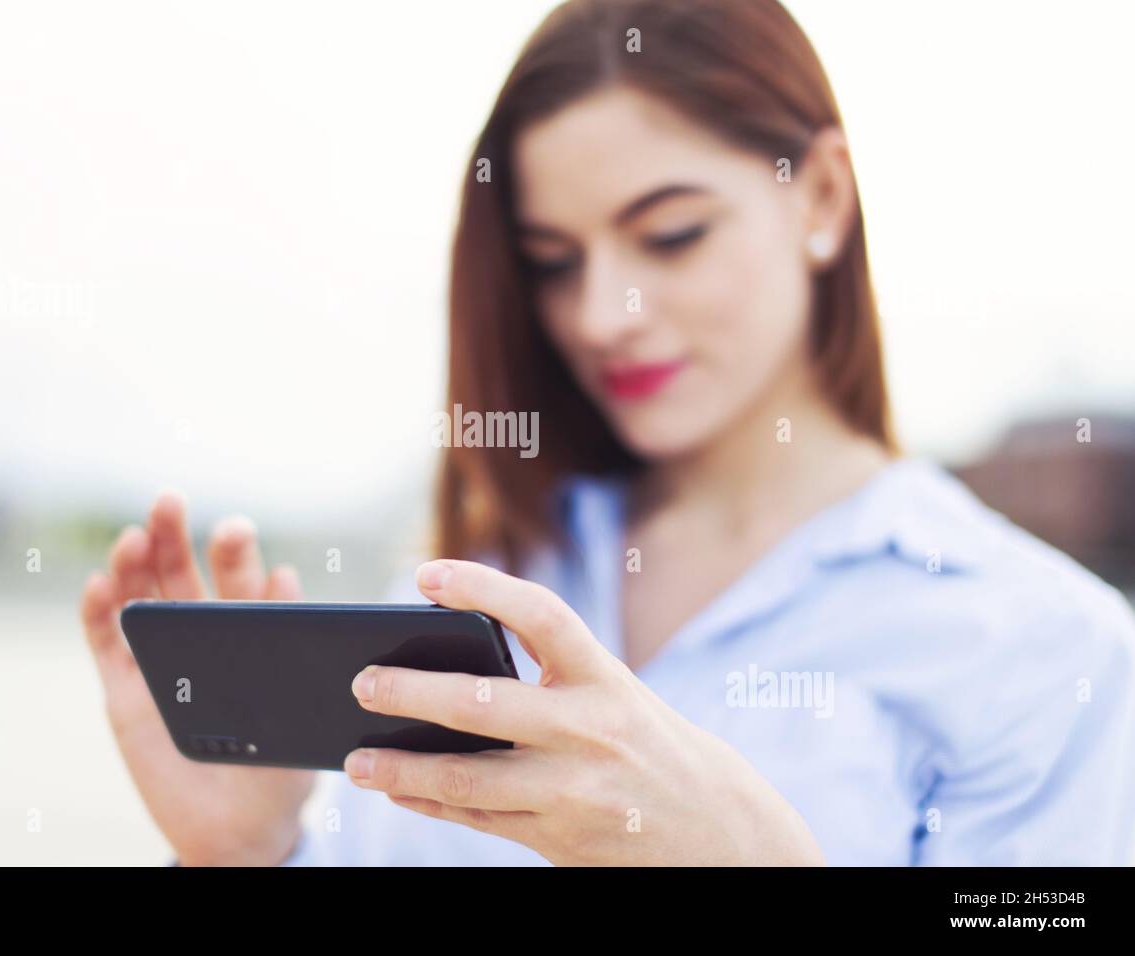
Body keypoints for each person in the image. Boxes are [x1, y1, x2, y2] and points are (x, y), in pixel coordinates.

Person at [78, 0, 1135, 865]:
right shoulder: (476, 582)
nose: (602, 312)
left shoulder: (1046, 653)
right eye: (551, 258)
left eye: (670, 234)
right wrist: (248, 858)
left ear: (818, 195)